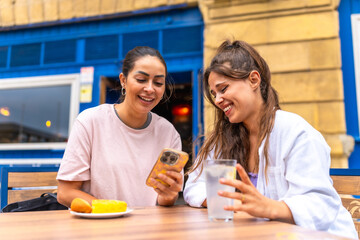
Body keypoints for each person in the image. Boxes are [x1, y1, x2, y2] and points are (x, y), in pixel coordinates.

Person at [183, 40, 357, 238]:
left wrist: (268, 207)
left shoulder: (296, 133)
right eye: (214, 94)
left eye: (223, 89)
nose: (217, 100)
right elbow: (194, 186)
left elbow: (319, 205)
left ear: (254, 80)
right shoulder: (223, 139)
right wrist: (226, 201)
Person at [57, 46, 183, 208]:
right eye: (141, 79)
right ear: (123, 80)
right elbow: (66, 193)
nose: (150, 89)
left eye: (158, 82)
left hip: (148, 229)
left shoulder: (168, 133)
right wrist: (115, 211)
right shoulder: (90, 121)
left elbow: (163, 201)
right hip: (99, 227)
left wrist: (169, 195)